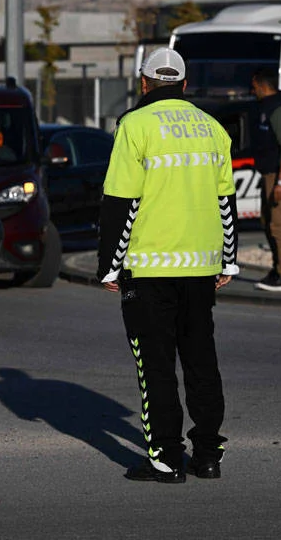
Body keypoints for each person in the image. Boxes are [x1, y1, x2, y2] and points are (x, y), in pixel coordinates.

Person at [96, 48, 239, 483]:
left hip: (149, 266)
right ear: (184, 83)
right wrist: (228, 260)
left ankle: (165, 458)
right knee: (201, 360)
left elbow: (122, 201)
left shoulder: (134, 126)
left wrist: (110, 266)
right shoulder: (213, 128)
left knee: (155, 366)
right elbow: (225, 200)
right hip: (199, 266)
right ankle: (209, 455)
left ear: (144, 83)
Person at [250, 67, 281, 292]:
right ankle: (276, 268)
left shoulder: (278, 109)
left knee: (278, 225)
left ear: (262, 84)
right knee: (266, 222)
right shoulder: (265, 108)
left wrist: (280, 182)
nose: (252, 90)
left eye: (254, 86)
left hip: (278, 175)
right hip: (268, 174)